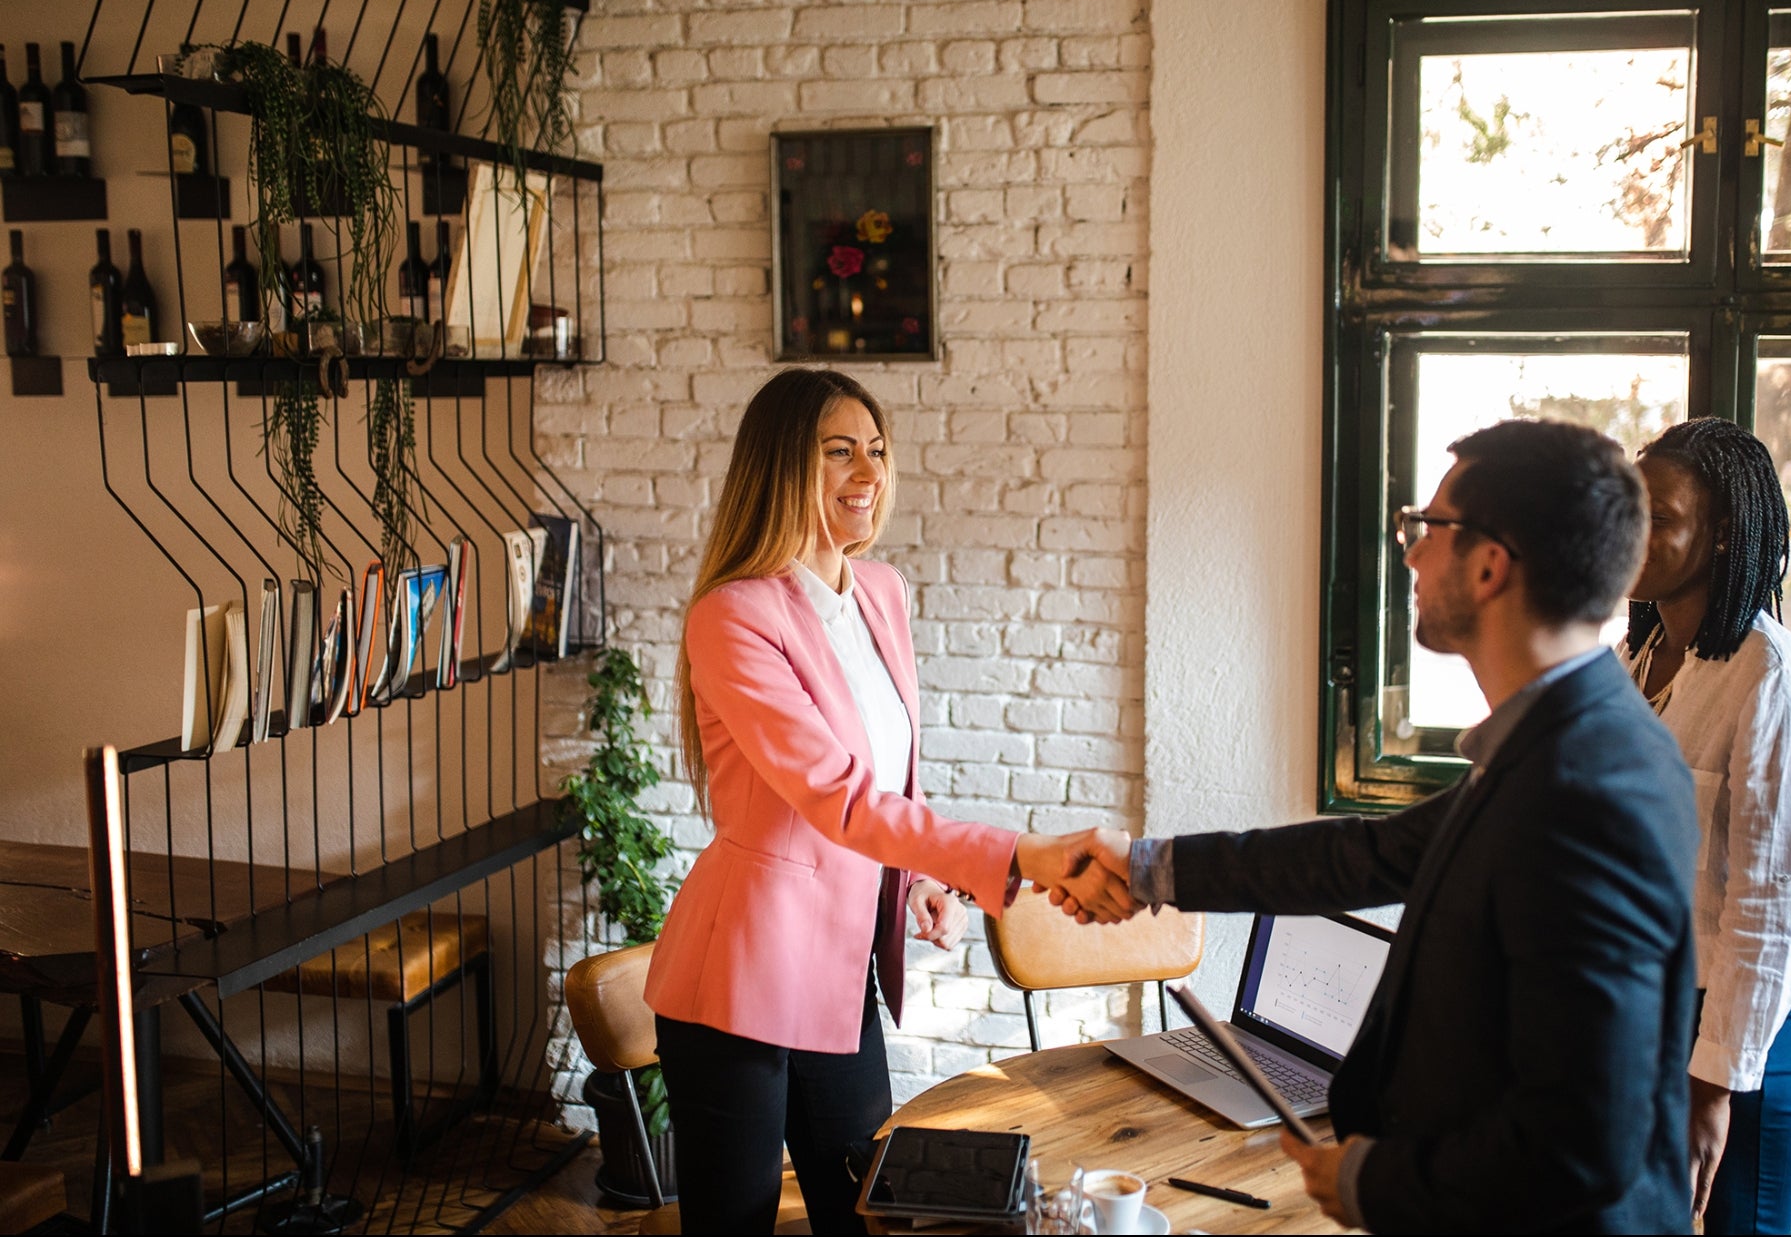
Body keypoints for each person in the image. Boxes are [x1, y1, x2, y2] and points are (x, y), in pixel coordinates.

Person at [1059, 419, 1699, 1233]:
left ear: (1491, 564)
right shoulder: (1557, 740)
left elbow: (1584, 1139)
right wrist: (1146, 866)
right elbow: (1367, 853)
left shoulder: (1591, 788)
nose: (1412, 553)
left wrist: (1378, 1182)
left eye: (1428, 527)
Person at [643, 368, 1131, 1234]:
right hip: (739, 978)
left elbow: (890, 772)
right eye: (840, 452)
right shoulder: (733, 616)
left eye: (875, 450)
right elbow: (839, 796)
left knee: (870, 1216)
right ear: (783, 465)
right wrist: (1015, 854)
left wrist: (917, 879)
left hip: (839, 970)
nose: (869, 472)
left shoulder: (882, 593)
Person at [1621, 417, 1791, 1235]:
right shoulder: (1638, 662)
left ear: (1721, 535)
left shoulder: (1775, 681)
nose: (1634, 532)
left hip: (1756, 1027)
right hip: (1663, 1006)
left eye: (1661, 517)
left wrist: (1714, 1084)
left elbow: (1772, 906)